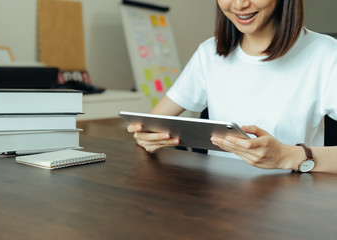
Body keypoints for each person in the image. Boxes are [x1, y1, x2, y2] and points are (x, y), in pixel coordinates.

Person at [127, 0, 337, 173]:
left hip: (295, 205)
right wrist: (146, 137)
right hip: (220, 205)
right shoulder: (209, 53)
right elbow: (150, 125)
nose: (238, 4)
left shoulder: (326, 54)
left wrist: (286, 156)